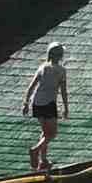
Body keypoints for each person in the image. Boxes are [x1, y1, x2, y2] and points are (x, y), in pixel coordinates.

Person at [24, 41, 69, 172]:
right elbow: (63, 91)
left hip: (37, 102)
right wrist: (66, 108)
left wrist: (26, 103)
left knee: (45, 133)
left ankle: (43, 160)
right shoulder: (61, 70)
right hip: (49, 103)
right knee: (52, 134)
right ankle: (35, 150)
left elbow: (31, 86)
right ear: (60, 55)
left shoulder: (42, 67)